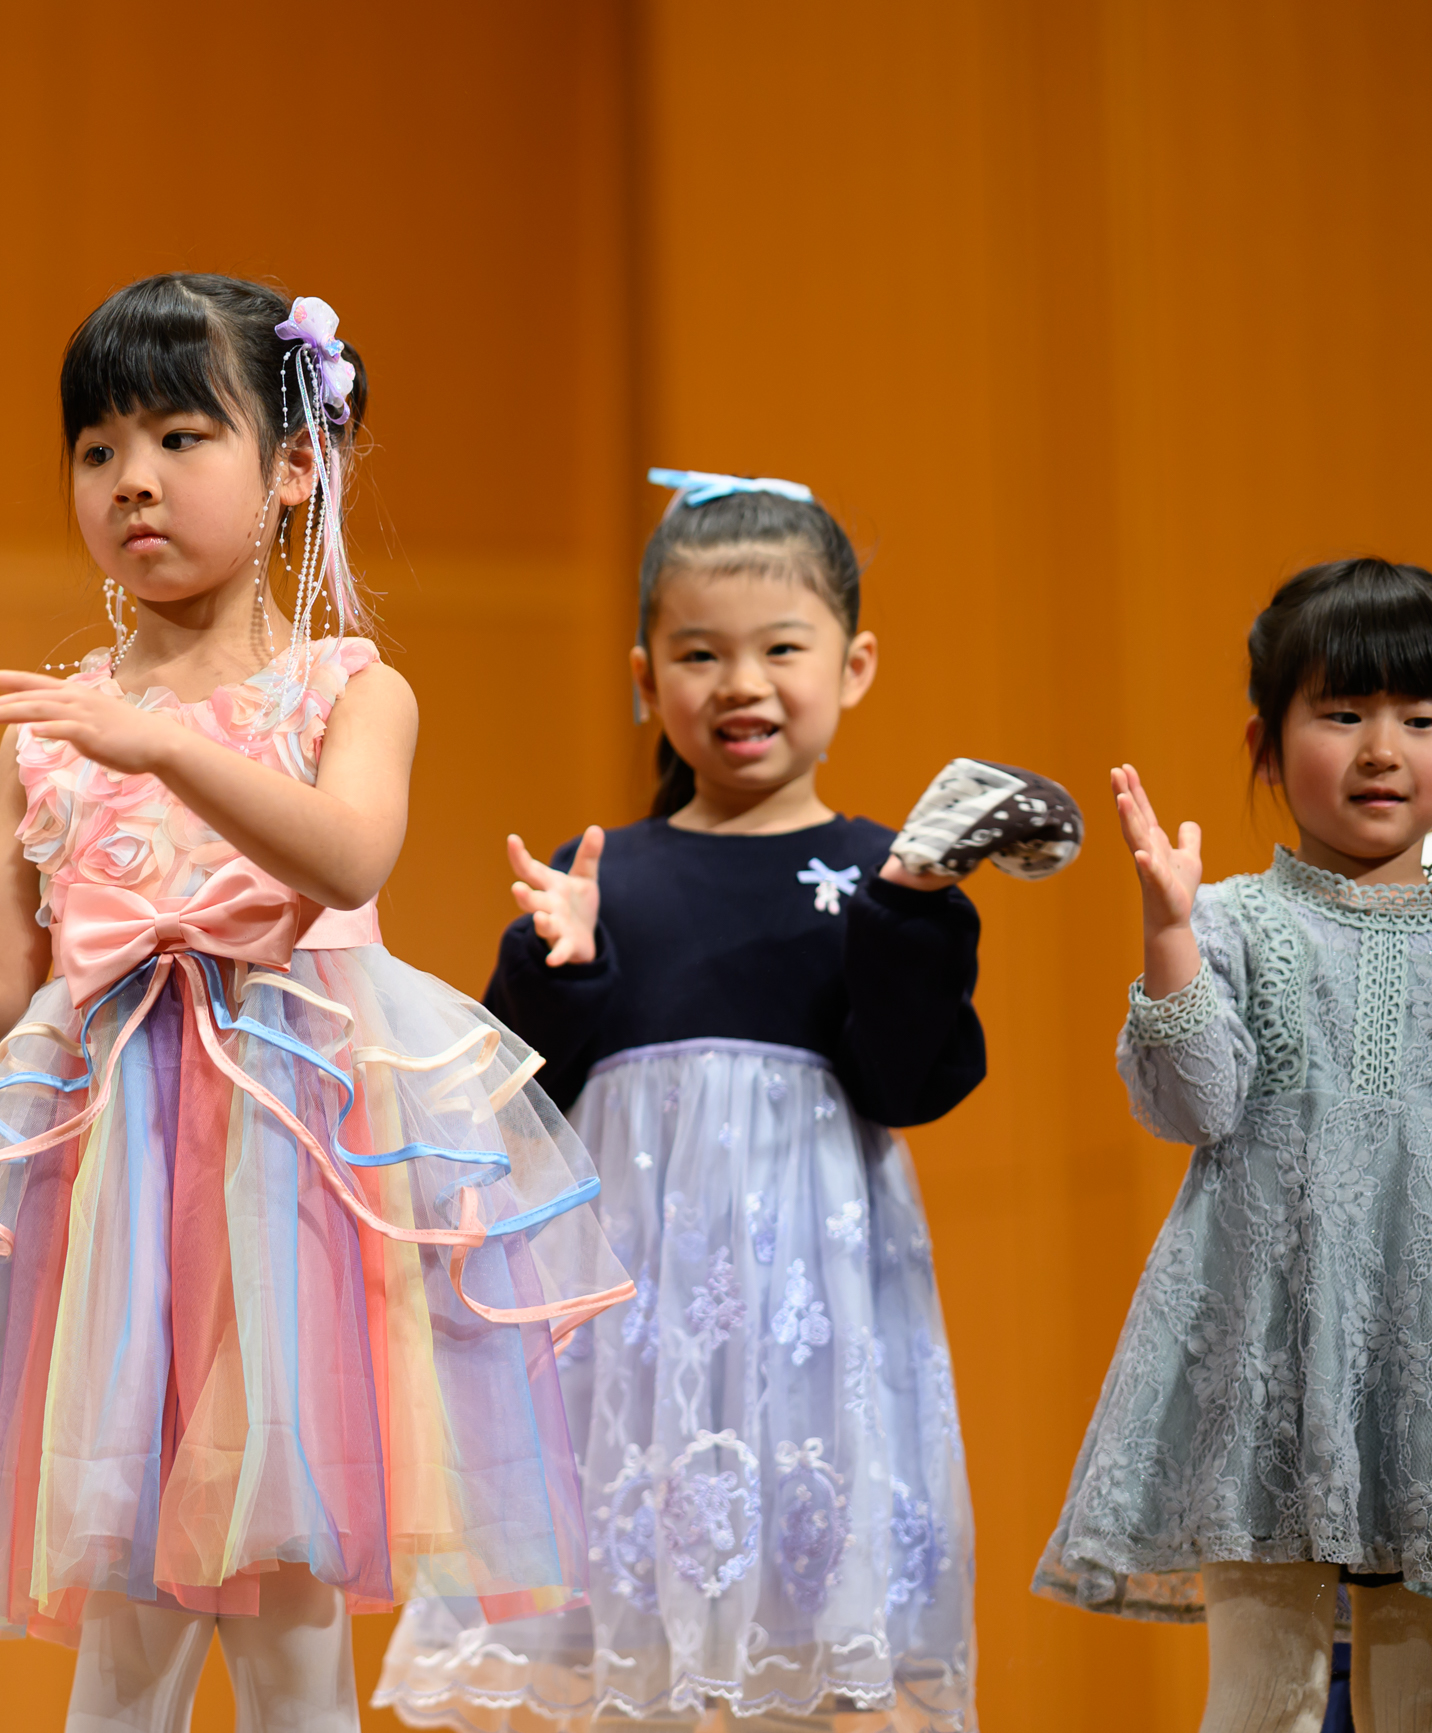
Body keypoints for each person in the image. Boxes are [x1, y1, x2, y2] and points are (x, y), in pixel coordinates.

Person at [0, 272, 631, 1733]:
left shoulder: (347, 686)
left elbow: (350, 851)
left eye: (177, 437)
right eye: (97, 448)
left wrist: (156, 742)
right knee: (130, 1638)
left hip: (289, 1200)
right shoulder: (59, 732)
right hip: (122, 1208)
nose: (131, 480)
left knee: (285, 1627)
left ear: (293, 468)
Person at [376, 472, 1032, 1731]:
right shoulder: (606, 875)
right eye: (698, 652)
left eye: (780, 647)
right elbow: (517, 1098)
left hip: (815, 1324)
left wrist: (908, 909)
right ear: (643, 679)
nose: (740, 682)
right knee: (629, 1654)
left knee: (826, 1640)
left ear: (853, 664)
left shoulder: (876, 868)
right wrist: (559, 963)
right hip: (636, 1331)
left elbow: (915, 1078)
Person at [1034, 558, 1432, 1733]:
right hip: (1267, 1351)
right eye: (1342, 711)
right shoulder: (1235, 920)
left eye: (1418, 717)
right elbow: (1190, 1102)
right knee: (1261, 1694)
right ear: (1265, 741)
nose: (1381, 748)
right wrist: (1167, 931)